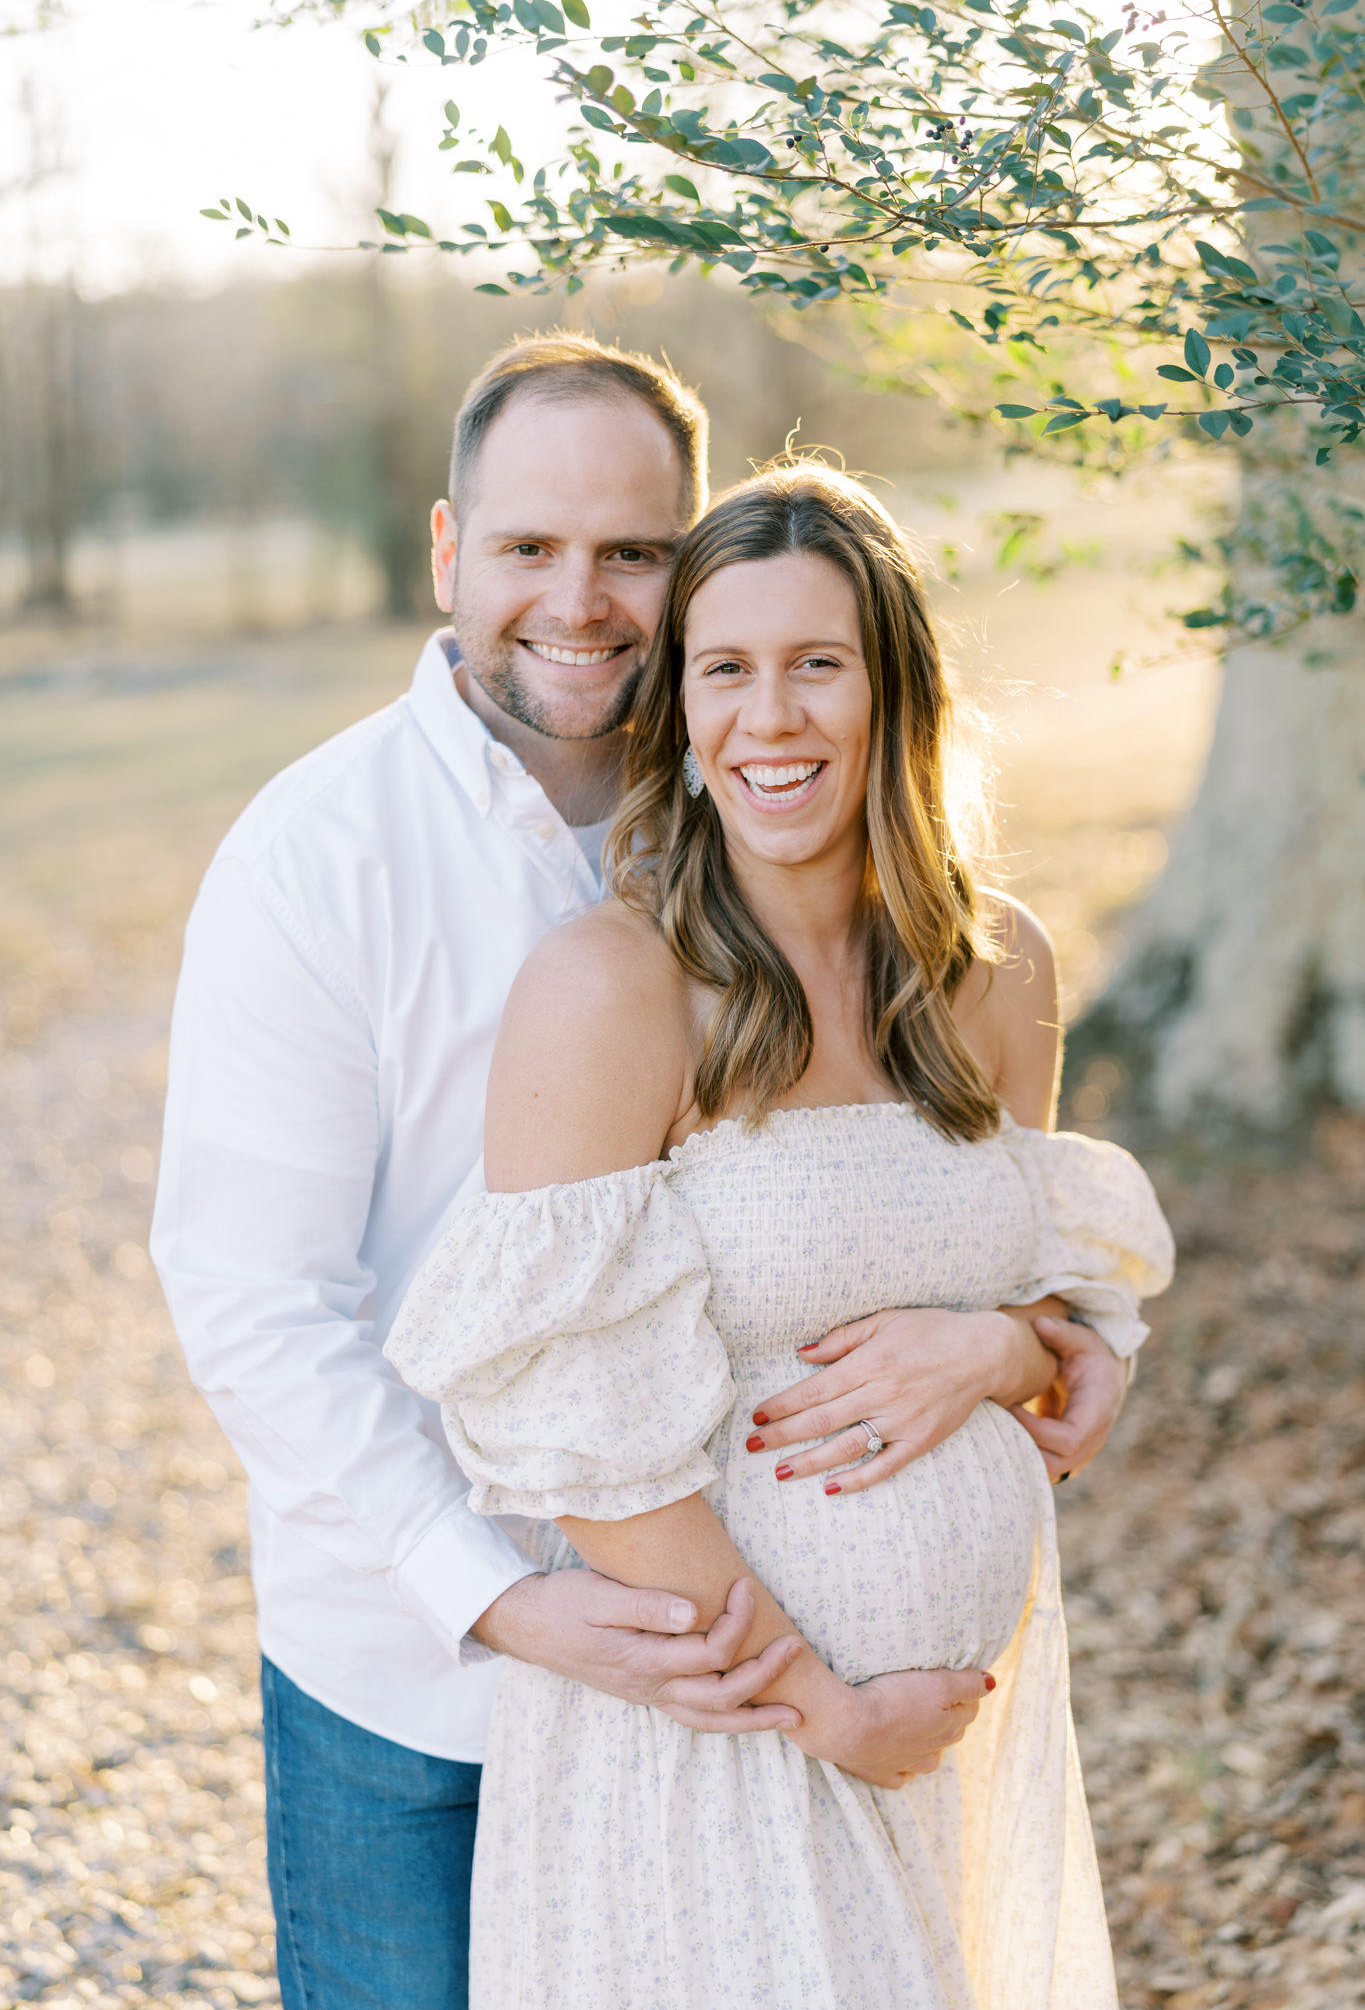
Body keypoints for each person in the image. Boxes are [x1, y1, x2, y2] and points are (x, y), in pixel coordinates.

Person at [152, 334, 1142, 2010]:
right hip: (425, 1664)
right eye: (532, 548)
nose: (581, 597)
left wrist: (1019, 1342)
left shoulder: (767, 824)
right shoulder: (319, 857)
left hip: (827, 1715)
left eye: (631, 553)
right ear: (450, 551)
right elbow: (256, 1303)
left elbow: (940, 1236)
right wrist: (500, 1600)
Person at [388, 465, 1174, 2008]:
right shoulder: (613, 987)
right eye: (724, 670)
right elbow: (582, 1437)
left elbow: (1029, 1293)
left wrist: (1012, 1342)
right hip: (726, 1732)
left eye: (817, 663)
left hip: (952, 1737)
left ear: (894, 689)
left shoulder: (994, 967)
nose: (771, 718)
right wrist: (827, 1707)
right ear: (676, 709)